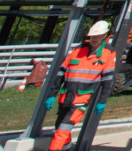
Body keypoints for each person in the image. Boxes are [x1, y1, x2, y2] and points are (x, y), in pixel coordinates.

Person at [47, 20, 116, 151]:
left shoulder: (108, 53)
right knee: (59, 127)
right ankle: (67, 149)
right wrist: (52, 94)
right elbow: (61, 72)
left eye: (97, 36)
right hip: (66, 96)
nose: (93, 39)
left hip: (81, 99)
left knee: (62, 131)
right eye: (92, 36)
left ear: (105, 36)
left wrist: (102, 101)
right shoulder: (78, 49)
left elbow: (108, 80)